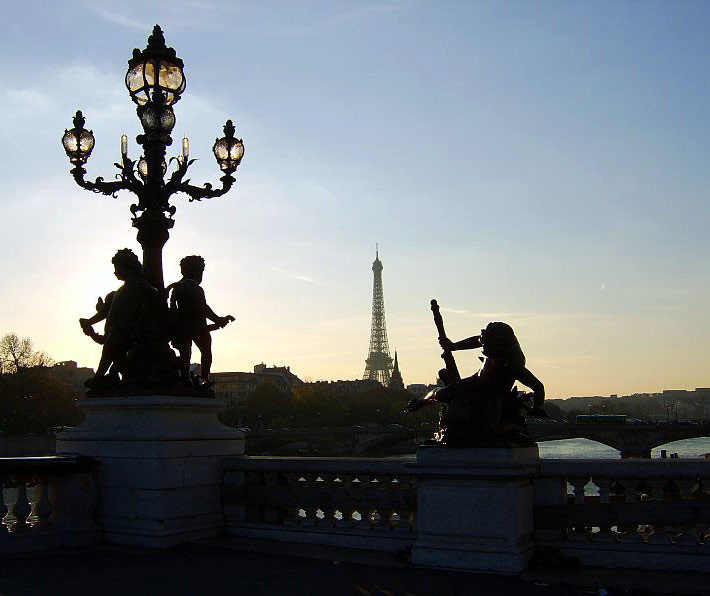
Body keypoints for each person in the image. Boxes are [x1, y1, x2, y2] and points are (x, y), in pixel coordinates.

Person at [409, 321, 546, 446]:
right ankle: (423, 400)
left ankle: (514, 429)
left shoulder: (513, 365)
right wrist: (452, 346)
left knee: (490, 430)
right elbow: (478, 340)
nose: (484, 349)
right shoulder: (495, 339)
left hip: (496, 393)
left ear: (501, 349)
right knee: (443, 393)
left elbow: (538, 386)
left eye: (488, 349)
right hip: (477, 381)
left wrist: (537, 407)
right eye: (484, 345)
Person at [79, 249, 158, 388]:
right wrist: (89, 322)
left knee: (116, 335)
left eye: (117, 267)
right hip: (117, 331)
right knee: (115, 342)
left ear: (128, 266)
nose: (115, 272)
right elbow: (105, 313)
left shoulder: (139, 285)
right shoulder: (117, 292)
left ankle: (99, 377)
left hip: (130, 331)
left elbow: (154, 295)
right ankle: (118, 376)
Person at [168, 255, 235, 387]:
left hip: (182, 326)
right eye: (201, 271)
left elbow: (174, 308)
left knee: (186, 353)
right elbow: (202, 307)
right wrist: (218, 320)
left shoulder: (177, 287)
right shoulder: (194, 288)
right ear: (197, 271)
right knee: (206, 351)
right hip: (197, 326)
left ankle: (186, 377)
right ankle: (203, 378)